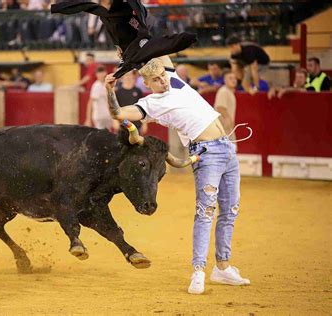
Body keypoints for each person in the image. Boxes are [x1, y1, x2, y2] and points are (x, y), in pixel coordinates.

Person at [104, 56, 250, 295]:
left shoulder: (174, 81)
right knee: (206, 211)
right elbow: (118, 114)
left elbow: (161, 49)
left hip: (227, 147)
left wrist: (140, 40)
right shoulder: (150, 103)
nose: (163, 80)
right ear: (147, 84)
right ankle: (199, 271)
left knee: (230, 209)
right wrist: (109, 89)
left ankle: (223, 267)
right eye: (156, 79)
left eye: (163, 74)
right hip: (206, 153)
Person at [51, 0, 197, 78]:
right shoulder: (106, 15)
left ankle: (187, 38)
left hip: (136, 37)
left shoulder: (114, 14)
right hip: (134, 40)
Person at [84, 65, 117, 130]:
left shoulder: (108, 84)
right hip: (99, 116)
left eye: (102, 72)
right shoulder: (96, 86)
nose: (101, 74)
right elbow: (90, 103)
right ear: (96, 74)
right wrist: (88, 118)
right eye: (99, 73)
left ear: (105, 73)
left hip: (108, 115)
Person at [214, 71, 237, 140]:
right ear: (225, 80)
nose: (233, 80)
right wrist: (228, 125)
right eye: (230, 78)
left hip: (226, 128)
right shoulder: (224, 91)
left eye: (234, 78)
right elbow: (221, 108)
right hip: (224, 128)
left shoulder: (229, 92)